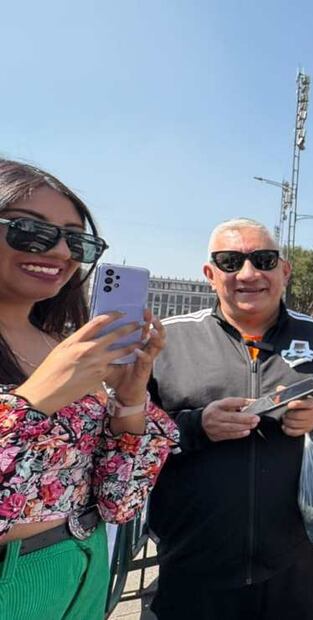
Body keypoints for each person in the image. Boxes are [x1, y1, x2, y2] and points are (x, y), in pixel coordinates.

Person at [147, 218, 313, 620]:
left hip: (295, 557)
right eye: (230, 261)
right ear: (210, 274)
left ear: (284, 271)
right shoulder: (170, 340)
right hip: (194, 556)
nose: (248, 274)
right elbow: (128, 431)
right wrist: (194, 428)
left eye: (264, 260)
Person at [0, 159, 177, 619]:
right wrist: (37, 399)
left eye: (76, 240)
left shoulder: (66, 346)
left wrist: (131, 398)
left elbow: (120, 499)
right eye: (30, 231)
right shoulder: (66, 361)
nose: (60, 252)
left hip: (85, 565)